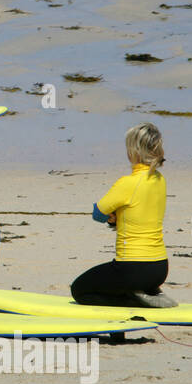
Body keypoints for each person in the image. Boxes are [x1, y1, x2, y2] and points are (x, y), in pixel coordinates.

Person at [70, 123, 174, 307]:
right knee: (112, 281)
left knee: (79, 289)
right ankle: (148, 292)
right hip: (159, 269)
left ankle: (134, 300)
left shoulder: (128, 183)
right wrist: (117, 216)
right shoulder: (160, 179)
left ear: (133, 151)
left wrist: (111, 215)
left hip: (133, 268)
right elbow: (140, 212)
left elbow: (98, 213)